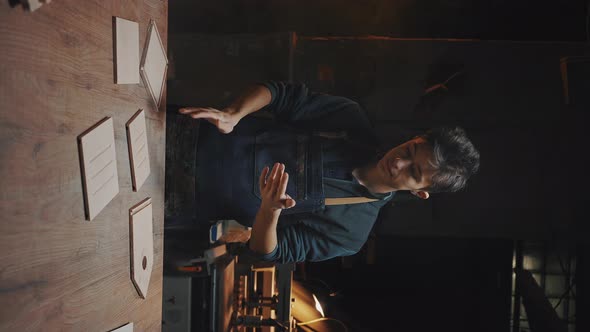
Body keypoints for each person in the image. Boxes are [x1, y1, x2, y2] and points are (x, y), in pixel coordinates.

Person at [177, 81, 480, 264]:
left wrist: (269, 211)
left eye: (413, 172)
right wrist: (234, 113)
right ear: (413, 138)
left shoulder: (351, 233)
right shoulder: (348, 120)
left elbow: (267, 252)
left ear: (419, 191)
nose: (398, 162)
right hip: (188, 135)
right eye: (409, 150)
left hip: (184, 202)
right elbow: (281, 94)